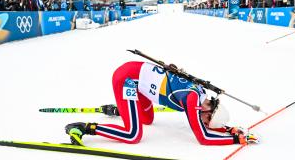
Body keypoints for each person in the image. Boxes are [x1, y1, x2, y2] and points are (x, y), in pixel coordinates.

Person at [65, 61, 259, 146]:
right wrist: (236, 140)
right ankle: (84, 128)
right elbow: (203, 138)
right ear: (209, 111)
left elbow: (207, 129)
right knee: (133, 134)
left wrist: (230, 130)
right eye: (207, 121)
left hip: (138, 81)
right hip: (127, 78)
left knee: (147, 119)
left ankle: (121, 108)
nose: (205, 124)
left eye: (208, 124)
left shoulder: (202, 96)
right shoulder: (193, 100)